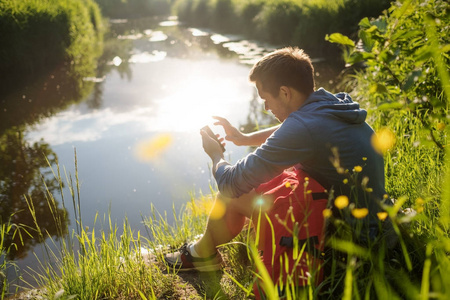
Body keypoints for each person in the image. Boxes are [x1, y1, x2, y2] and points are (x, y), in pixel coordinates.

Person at [164, 47, 388, 282]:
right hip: (376, 222)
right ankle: (208, 248)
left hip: (353, 237)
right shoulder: (328, 104)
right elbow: (295, 127)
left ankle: (202, 254)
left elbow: (230, 183)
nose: (266, 108)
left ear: (284, 92)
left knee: (232, 194)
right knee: (273, 178)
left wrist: (215, 156)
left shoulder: (303, 126)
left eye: (266, 99)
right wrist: (244, 139)